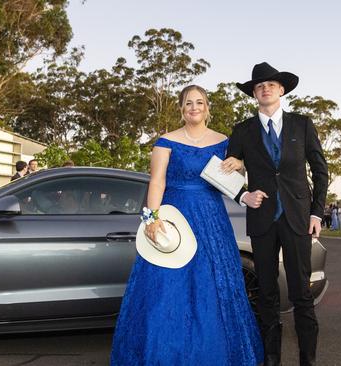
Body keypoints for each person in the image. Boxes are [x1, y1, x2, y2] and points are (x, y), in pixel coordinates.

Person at [111, 85, 263, 365]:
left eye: (200, 102)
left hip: (212, 221)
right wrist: (152, 219)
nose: (194, 107)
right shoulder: (165, 141)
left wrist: (240, 170)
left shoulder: (224, 142)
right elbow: (157, 181)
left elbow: (231, 179)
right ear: (181, 108)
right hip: (175, 218)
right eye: (189, 103)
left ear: (207, 108)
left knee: (215, 284)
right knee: (167, 285)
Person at [223, 62, 328, 366]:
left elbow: (321, 172)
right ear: (254, 94)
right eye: (259, 86)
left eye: (271, 84)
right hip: (261, 222)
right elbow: (224, 171)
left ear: (281, 90)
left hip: (297, 221)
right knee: (267, 294)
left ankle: (308, 360)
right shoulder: (242, 131)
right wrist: (243, 194)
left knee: (301, 295)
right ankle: (271, 360)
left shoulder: (302, 124)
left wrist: (317, 214)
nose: (265, 88)